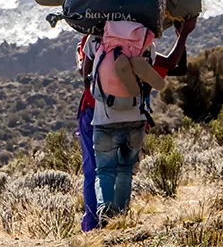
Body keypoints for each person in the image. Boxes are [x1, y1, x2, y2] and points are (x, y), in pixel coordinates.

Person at [78, 17, 196, 226]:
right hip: (135, 119)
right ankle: (121, 218)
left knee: (104, 171)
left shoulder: (94, 40)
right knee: (125, 170)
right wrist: (184, 33)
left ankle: (105, 213)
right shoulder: (145, 43)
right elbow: (167, 69)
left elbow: (86, 79)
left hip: (105, 119)